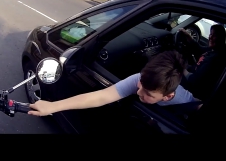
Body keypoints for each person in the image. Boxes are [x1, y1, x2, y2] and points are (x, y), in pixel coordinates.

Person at [28, 50, 201, 117]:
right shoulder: (140, 80)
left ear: (167, 97)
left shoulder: (187, 103)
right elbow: (100, 97)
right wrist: (52, 106)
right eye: (140, 84)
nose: (139, 92)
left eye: (148, 94)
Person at [179, 24, 226, 100]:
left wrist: (182, 69)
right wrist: (187, 36)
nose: (210, 37)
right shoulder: (213, 50)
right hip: (192, 75)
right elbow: (198, 49)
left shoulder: (215, 59)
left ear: (221, 38)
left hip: (193, 89)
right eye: (211, 34)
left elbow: (194, 80)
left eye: (214, 35)